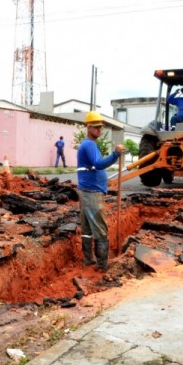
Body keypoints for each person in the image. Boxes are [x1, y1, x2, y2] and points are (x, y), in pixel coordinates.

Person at [77, 111, 124, 272]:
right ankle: (103, 265)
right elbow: (98, 164)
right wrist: (115, 154)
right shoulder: (89, 144)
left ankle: (88, 259)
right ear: (88, 127)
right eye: (96, 127)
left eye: (100, 127)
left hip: (87, 191)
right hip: (91, 193)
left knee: (87, 229)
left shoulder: (88, 144)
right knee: (100, 230)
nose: (99, 130)